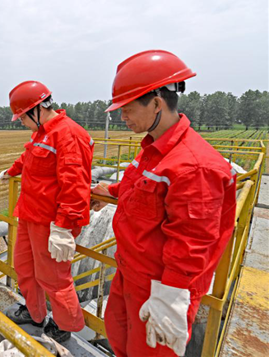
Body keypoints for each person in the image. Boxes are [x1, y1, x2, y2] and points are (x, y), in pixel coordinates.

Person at [92, 50, 237, 356]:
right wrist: (110, 191)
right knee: (120, 341)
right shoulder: (153, 149)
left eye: (128, 109)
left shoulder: (195, 166)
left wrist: (169, 297)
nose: (123, 117)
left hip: (161, 288)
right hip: (130, 273)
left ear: (156, 103)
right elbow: (141, 188)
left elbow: (194, 239)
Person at [0, 81, 94, 343]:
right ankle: (34, 313)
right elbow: (30, 158)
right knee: (25, 269)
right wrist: (12, 171)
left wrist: (63, 227)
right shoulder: (42, 132)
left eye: (22, 117)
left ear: (38, 109)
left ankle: (65, 326)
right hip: (30, 215)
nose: (20, 122)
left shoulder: (68, 134)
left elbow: (76, 185)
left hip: (51, 223)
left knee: (53, 278)